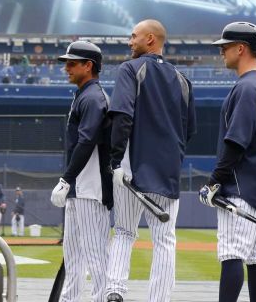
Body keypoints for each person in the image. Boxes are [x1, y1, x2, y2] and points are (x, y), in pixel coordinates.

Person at [105, 19, 197, 302]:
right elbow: (190, 130)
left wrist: (116, 159)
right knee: (165, 240)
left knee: (123, 231)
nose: (129, 42)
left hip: (132, 168)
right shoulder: (183, 80)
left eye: (134, 37)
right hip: (167, 171)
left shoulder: (130, 69)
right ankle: (159, 298)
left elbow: (122, 116)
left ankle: (115, 292)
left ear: (150, 40)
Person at [198, 22, 256, 302]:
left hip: (241, 188)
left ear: (241, 48)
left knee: (232, 253)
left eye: (226, 46)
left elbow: (236, 142)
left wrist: (214, 181)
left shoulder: (246, 88)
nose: (221, 51)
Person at [50, 41, 113, 302]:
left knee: (96, 254)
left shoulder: (94, 98)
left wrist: (66, 179)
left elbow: (87, 141)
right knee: (73, 254)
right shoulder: (84, 95)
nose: (67, 67)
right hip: (80, 188)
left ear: (89, 66)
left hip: (91, 187)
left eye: (72, 63)